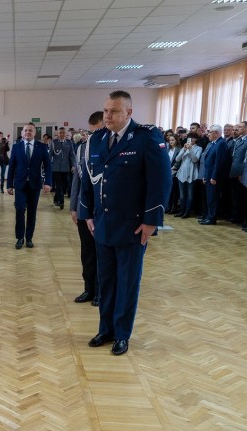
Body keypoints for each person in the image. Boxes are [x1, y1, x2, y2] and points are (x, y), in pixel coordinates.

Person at [78, 90, 170, 356]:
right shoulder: (97, 140)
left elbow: (160, 181)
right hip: (103, 223)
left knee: (127, 282)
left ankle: (122, 334)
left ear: (129, 112)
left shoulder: (146, 137)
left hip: (133, 225)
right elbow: (89, 179)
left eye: (114, 111)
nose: (108, 116)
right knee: (105, 281)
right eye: (106, 110)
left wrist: (152, 221)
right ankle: (105, 329)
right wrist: (88, 214)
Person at [69, 111, 103, 305]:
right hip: (84, 208)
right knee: (87, 253)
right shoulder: (83, 148)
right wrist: (74, 207)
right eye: (90, 132)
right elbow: (78, 179)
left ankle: (100, 291)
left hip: (101, 210)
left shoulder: (110, 148)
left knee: (101, 254)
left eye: (95, 131)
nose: (91, 136)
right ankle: (88, 289)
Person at [7, 122, 52, 249]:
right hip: (20, 184)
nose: (28, 132)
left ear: (34, 133)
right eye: (25, 130)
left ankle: (29, 238)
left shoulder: (42, 147)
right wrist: (9, 184)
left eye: (30, 130)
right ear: (22, 133)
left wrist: (48, 182)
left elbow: (48, 165)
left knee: (32, 212)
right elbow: (11, 166)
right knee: (20, 209)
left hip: (35, 184)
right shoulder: (16, 147)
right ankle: (20, 237)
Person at [174, 133, 202, 218]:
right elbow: (177, 159)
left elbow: (195, 159)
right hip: (182, 172)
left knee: (190, 194)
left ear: (196, 139)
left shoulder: (199, 148)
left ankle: (187, 212)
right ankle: (182, 211)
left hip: (192, 172)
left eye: (193, 138)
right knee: (182, 195)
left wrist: (190, 149)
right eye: (189, 138)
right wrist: (183, 149)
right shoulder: (184, 147)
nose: (191, 140)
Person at [50, 126, 75, 210]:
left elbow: (72, 155)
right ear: (57, 134)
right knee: (59, 185)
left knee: (64, 185)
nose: (62, 134)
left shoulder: (69, 142)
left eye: (63, 133)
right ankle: (61, 201)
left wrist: (73, 165)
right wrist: (48, 166)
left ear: (65, 134)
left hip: (66, 168)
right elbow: (50, 155)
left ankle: (56, 199)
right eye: (60, 133)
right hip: (56, 168)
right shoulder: (54, 142)